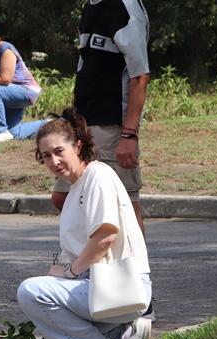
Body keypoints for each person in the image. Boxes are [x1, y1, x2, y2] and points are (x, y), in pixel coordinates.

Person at [17, 109, 152, 339]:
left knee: (30, 291)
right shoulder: (75, 187)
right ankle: (124, 335)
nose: (53, 161)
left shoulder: (97, 176)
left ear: (77, 146)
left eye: (59, 151)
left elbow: (105, 236)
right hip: (95, 286)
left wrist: (70, 273)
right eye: (46, 156)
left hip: (119, 285)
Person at [51, 0, 151, 236]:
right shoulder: (90, 6)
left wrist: (129, 134)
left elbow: (140, 76)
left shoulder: (124, 7)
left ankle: (136, 272)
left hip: (112, 126)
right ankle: (96, 261)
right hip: (84, 124)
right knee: (63, 197)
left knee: (123, 204)